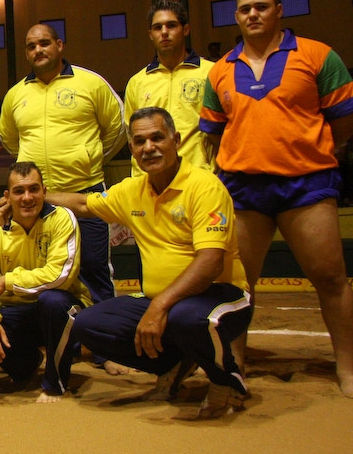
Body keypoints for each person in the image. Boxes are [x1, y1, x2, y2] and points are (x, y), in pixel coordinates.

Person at [199, 0, 353, 398]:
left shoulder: (317, 55)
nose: (252, 14)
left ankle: (348, 370)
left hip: (306, 183)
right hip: (244, 189)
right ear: (236, 17)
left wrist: (309, 148)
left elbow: (348, 118)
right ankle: (235, 364)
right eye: (244, 9)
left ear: (279, 10)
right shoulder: (219, 70)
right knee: (238, 285)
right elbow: (213, 133)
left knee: (330, 276)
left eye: (261, 7)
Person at [42, 107, 253, 419]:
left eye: (157, 138)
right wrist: (36, 196)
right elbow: (84, 203)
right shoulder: (133, 190)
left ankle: (228, 381)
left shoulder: (205, 186)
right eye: (140, 141)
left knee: (186, 318)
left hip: (221, 295)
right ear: (132, 148)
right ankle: (172, 365)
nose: (149, 147)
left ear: (176, 140)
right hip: (162, 301)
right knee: (89, 324)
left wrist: (159, 306)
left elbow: (210, 262)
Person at [0, 23, 126, 373]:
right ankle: (59, 343)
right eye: (30, 46)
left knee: (95, 270)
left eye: (44, 43)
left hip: (85, 193)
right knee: (43, 274)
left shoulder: (91, 83)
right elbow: (9, 140)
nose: (37, 50)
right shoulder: (15, 95)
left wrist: (87, 158)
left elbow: (116, 130)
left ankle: (105, 351)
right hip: (36, 204)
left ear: (59, 45)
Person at [0, 162, 91, 403]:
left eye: (33, 189)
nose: (27, 198)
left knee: (52, 301)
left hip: (64, 308)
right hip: (19, 311)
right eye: (19, 191)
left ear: (44, 191)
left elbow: (60, 275)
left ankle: (55, 383)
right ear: (7, 196)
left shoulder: (62, 219)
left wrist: (6, 280)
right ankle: (26, 366)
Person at [124, 0, 214, 174]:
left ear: (185, 29)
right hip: (151, 179)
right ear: (151, 34)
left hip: (199, 176)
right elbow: (132, 135)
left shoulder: (210, 73)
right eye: (157, 28)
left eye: (171, 25)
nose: (164, 32)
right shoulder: (138, 82)